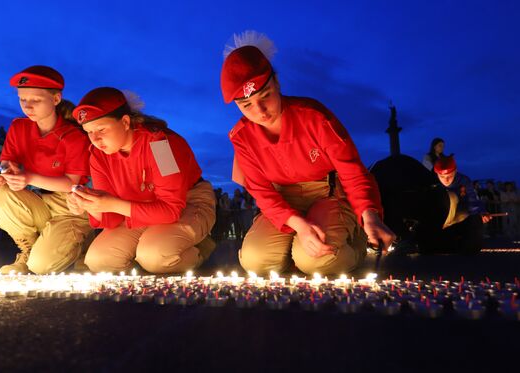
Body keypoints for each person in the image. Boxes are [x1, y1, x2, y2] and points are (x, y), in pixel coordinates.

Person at [220, 31, 395, 276]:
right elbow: (261, 191)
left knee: (316, 261)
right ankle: (293, 254)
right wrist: (298, 224)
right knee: (255, 260)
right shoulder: (242, 137)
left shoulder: (314, 117)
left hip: (326, 194)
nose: (260, 111)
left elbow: (351, 170)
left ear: (277, 83)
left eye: (266, 95)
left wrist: (369, 215)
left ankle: (353, 243)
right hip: (283, 201)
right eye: (246, 105)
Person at [67, 87, 216, 274]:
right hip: (137, 209)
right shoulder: (98, 156)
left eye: (101, 129)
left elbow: (171, 209)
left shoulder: (161, 145)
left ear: (125, 122)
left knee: (155, 256)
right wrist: (89, 205)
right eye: (89, 132)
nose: (95, 139)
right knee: (99, 261)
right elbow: (111, 217)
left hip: (186, 203)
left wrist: (112, 204)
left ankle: (198, 249)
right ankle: (148, 255)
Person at [0, 65, 92, 274]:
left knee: (41, 267)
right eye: (23, 99)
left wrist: (29, 177)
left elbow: (72, 183)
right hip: (38, 200)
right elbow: (5, 164)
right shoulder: (19, 127)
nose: (28, 106)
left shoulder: (73, 136)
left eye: (36, 100)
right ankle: (28, 250)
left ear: (56, 99)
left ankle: (82, 242)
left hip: (69, 206)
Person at [433, 156, 491, 253]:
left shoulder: (464, 181)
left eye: (449, 176)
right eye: (442, 177)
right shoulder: (434, 183)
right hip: (441, 218)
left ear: (455, 172)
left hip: (461, 214)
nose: (446, 180)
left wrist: (480, 213)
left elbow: (472, 200)